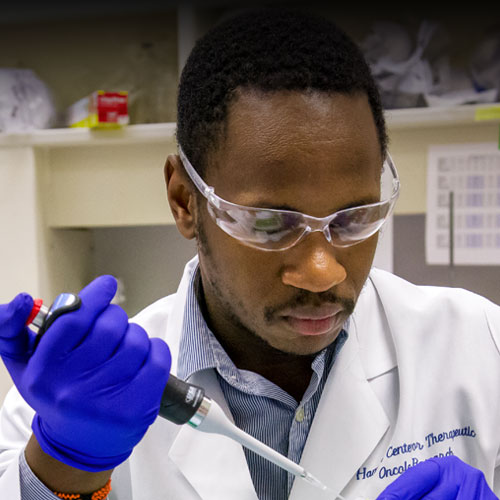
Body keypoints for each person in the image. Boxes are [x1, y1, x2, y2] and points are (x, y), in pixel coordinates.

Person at [0, 7, 499, 500]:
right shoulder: (60, 414)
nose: (322, 271)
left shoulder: (479, 348)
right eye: (271, 224)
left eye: (354, 217)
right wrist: (64, 470)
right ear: (184, 201)